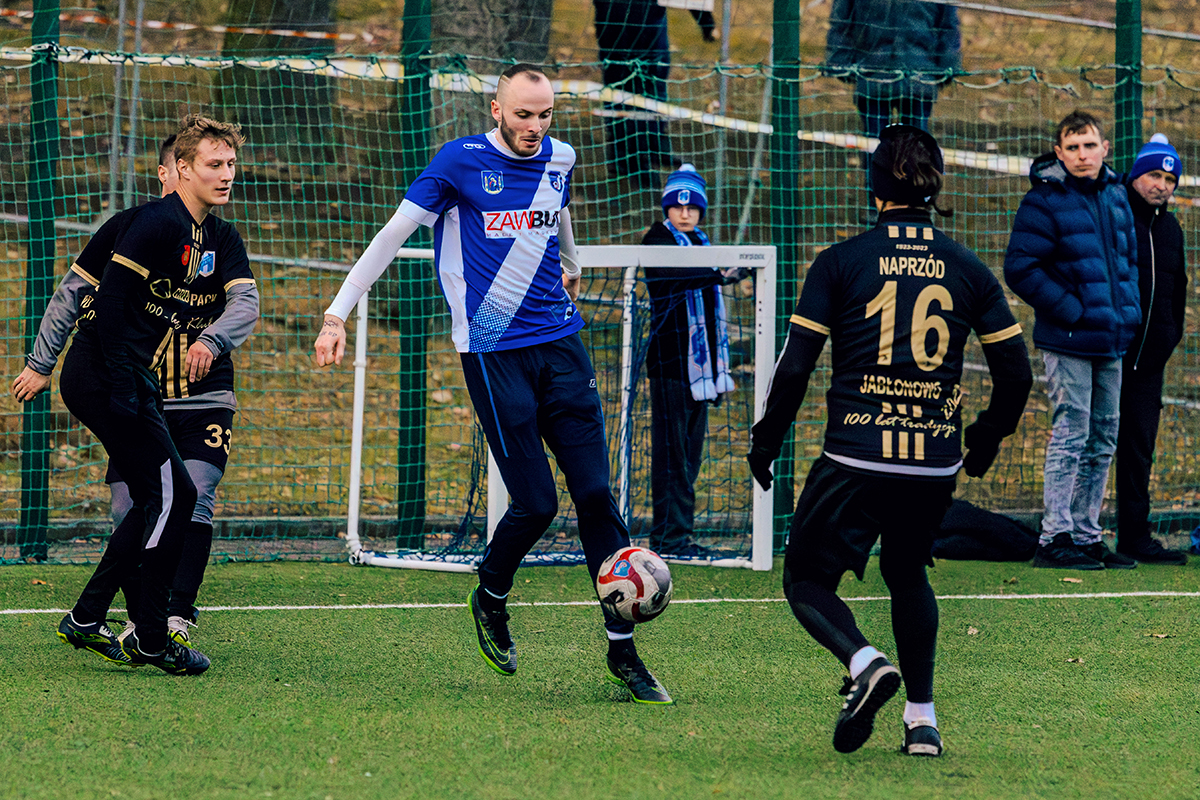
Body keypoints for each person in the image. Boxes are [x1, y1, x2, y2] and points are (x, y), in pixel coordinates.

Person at [314, 63, 673, 704]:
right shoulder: (458, 163)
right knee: (537, 504)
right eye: (524, 114)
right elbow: (391, 238)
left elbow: (558, 215)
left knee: (595, 494)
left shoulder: (559, 157)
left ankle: (624, 654)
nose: (536, 127)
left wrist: (570, 264)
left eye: (546, 114)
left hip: (561, 345)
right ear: (497, 109)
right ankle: (491, 595)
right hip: (491, 351)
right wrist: (337, 314)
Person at [747, 125, 1032, 756]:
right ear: (935, 187)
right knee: (906, 572)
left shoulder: (843, 260)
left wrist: (766, 440)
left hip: (856, 454)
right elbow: (1017, 374)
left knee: (805, 581)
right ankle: (922, 722)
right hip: (933, 462)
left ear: (875, 187)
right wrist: (983, 439)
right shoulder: (967, 268)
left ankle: (865, 662)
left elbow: (794, 366)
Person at [13, 131, 259, 656]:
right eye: (214, 163)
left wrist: (205, 343)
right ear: (176, 171)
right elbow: (102, 302)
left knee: (181, 496)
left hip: (161, 386)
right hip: (110, 376)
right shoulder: (150, 222)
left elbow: (239, 304)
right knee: (162, 498)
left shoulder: (208, 238)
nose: (227, 174)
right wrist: (54, 365)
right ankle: (146, 632)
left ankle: (136, 618)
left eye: (232, 163)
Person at [1003, 110, 1142, 571]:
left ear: (1105, 148)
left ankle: (1086, 535)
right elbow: (1021, 268)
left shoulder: (1118, 195)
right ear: (1059, 153)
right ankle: (1054, 536)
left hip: (1112, 338)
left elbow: (1128, 263)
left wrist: (1128, 312)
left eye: (1090, 145)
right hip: (1068, 340)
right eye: (1073, 147)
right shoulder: (1043, 201)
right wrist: (1072, 310)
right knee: (1071, 433)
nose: (1083, 155)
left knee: (1104, 437)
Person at [640, 164, 741, 557]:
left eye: (692, 208)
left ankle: (677, 535)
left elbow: (706, 274)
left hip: (703, 371)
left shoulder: (702, 242)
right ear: (667, 208)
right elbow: (676, 274)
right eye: (677, 206)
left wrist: (719, 272)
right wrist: (719, 274)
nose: (684, 214)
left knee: (690, 456)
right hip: (670, 366)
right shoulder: (656, 239)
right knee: (672, 457)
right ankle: (669, 539)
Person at [1115, 134, 1190, 565]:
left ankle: (1133, 536)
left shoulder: (1171, 228)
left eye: (1169, 178)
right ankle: (1070, 533)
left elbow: (1178, 290)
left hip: (1150, 362)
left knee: (1139, 448)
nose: (1161, 184)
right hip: (1109, 352)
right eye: (1153, 175)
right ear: (1136, 175)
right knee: (1093, 442)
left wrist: (1168, 335)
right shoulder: (1116, 214)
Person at [825, 0, 960, 217]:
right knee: (878, 146)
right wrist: (840, 63)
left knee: (908, 146)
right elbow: (841, 21)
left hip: (912, 76)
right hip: (881, 74)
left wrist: (947, 67)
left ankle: (904, 205)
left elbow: (948, 25)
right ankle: (885, 205)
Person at [592, 0, 715, 185]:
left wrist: (704, 18)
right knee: (622, 85)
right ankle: (627, 159)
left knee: (655, 76)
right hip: (615, 17)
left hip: (652, 16)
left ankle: (655, 143)